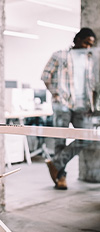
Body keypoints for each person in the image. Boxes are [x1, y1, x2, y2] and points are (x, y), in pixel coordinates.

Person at [41, 27, 97, 190]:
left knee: (87, 136)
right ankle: (61, 178)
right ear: (77, 40)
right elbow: (45, 76)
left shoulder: (88, 60)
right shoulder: (60, 55)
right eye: (86, 43)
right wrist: (57, 95)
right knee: (60, 140)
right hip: (62, 105)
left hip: (81, 106)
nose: (88, 47)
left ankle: (55, 164)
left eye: (90, 44)